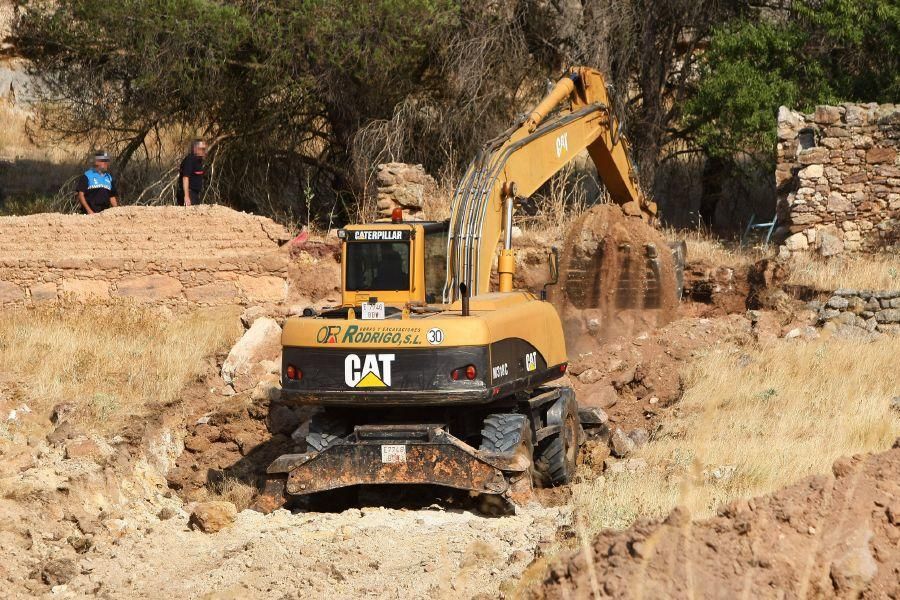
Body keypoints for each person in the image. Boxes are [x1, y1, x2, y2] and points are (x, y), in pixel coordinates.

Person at [177, 139, 207, 206]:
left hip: (195, 194)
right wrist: (187, 196)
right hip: (189, 193)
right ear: (195, 149)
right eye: (201, 149)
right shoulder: (190, 159)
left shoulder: (199, 160)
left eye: (204, 149)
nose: (203, 151)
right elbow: (185, 178)